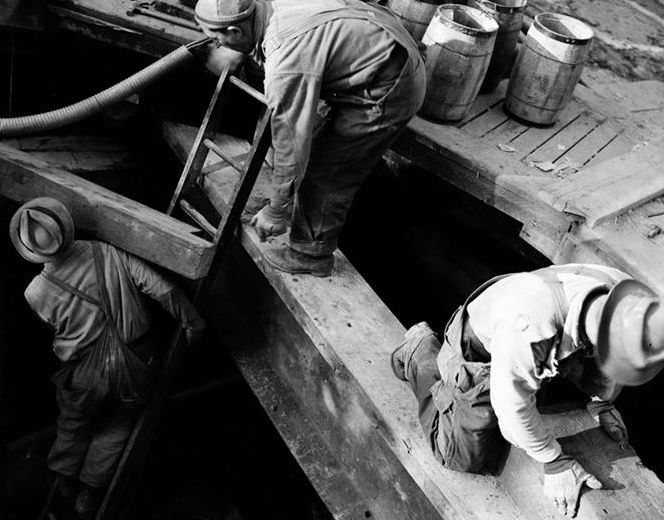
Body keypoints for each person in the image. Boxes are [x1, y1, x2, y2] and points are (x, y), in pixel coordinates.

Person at [391, 263, 664, 518]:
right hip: (483, 347)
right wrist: (554, 461)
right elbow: (511, 408)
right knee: (459, 455)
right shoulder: (528, 331)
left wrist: (600, 400)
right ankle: (420, 351)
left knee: (561, 384)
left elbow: (614, 357)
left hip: (548, 325)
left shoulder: (631, 302)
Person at [194, 0, 426, 276]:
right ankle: (294, 210)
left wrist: (277, 210)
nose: (217, 46)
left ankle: (310, 255)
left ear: (236, 30)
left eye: (217, 39)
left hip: (390, 85)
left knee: (328, 168)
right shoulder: (270, 7)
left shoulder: (285, 58)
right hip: (374, 49)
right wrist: (242, 51)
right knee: (312, 141)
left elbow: (291, 140)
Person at [10, 197, 206, 519]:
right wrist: (192, 322)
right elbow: (162, 289)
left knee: (73, 425)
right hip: (135, 363)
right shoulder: (107, 252)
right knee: (117, 425)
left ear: (32, 250)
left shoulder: (35, 293)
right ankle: (89, 493)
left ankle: (63, 484)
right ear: (65, 228)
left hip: (82, 372)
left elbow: (53, 325)